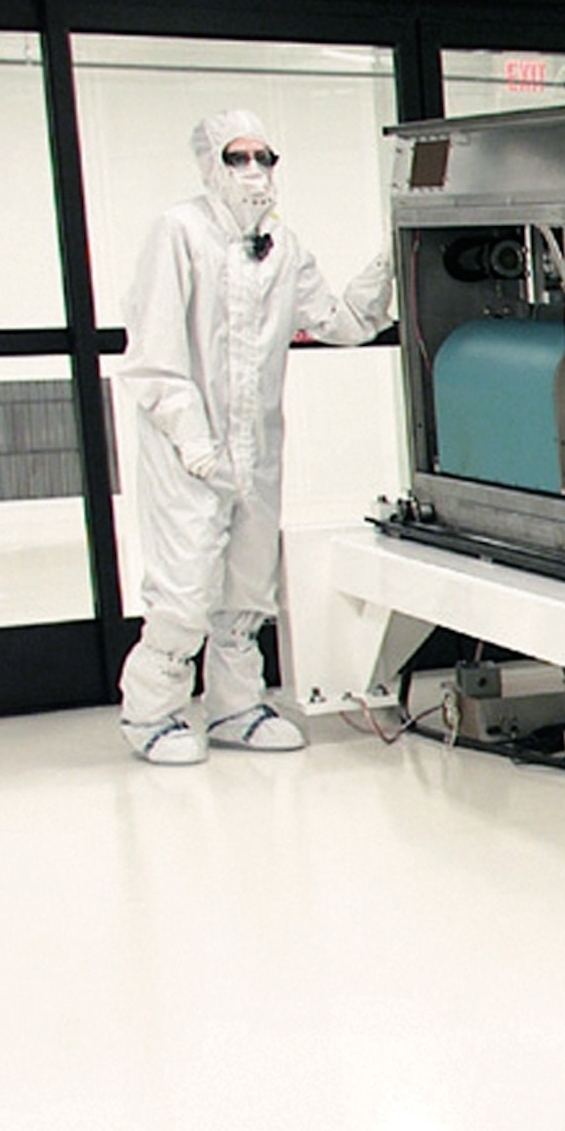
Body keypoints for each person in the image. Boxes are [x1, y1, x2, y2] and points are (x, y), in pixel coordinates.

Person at [113, 109, 395, 764]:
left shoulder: (282, 247)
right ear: (210, 164)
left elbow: (340, 320)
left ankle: (235, 708)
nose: (252, 172)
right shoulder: (178, 234)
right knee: (184, 595)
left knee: (245, 591)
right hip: (187, 449)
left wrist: (389, 258)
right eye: (237, 157)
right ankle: (150, 713)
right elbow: (153, 353)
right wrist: (192, 440)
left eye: (264, 158)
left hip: (257, 451)